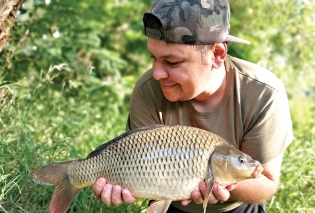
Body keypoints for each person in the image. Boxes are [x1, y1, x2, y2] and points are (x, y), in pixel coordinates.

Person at [93, 0, 294, 212]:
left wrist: (217, 179)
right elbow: (134, 164)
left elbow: (266, 182)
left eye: (172, 63)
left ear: (217, 54)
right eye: (153, 58)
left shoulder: (264, 94)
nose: (157, 73)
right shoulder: (147, 90)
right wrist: (121, 183)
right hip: (171, 205)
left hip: (238, 208)